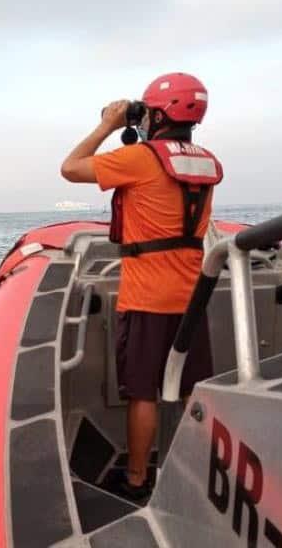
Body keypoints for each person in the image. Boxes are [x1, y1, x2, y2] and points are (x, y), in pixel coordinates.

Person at [60, 72, 222, 501]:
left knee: (143, 393)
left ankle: (136, 479)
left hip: (148, 296)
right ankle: (206, 475)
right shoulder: (205, 160)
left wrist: (109, 125)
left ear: (157, 113)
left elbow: (70, 167)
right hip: (192, 297)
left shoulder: (139, 159)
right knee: (192, 390)